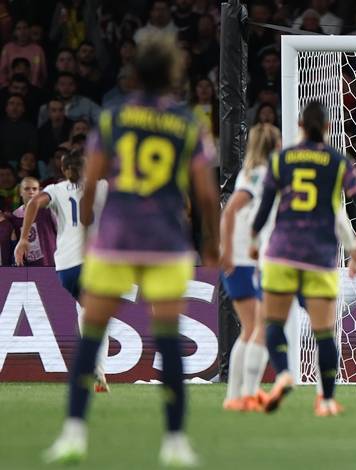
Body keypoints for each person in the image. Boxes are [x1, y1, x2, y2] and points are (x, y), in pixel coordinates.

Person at [43, 32, 220, 467]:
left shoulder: (113, 118)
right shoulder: (187, 122)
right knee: (167, 337)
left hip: (117, 238)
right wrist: (212, 246)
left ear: (136, 72)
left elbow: (88, 188)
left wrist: (87, 232)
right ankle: (175, 441)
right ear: (174, 73)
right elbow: (206, 194)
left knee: (91, 335)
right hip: (165, 240)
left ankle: (73, 434)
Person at [250, 101, 356, 417]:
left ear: (300, 125)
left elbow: (263, 208)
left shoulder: (281, 159)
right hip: (320, 255)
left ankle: (284, 373)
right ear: (327, 127)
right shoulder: (338, 162)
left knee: (273, 322)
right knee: (324, 332)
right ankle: (327, 400)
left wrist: (252, 239)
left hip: (281, 252)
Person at [15, 150, 110, 391]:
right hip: (94, 262)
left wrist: (24, 239)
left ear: (63, 168)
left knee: (86, 307)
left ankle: (93, 366)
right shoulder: (101, 187)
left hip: (66, 267)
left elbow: (34, 203)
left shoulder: (56, 189)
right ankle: (97, 368)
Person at [219, 123, 281, 412]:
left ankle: (236, 396)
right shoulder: (260, 177)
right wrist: (228, 252)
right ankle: (248, 393)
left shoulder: (252, 173)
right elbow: (230, 211)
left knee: (251, 328)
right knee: (259, 328)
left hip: (246, 259)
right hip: (246, 260)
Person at [11, 176, 56, 267]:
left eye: (34, 189)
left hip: (51, 261)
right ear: (20, 192)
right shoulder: (14, 216)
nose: (31, 191)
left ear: (39, 191)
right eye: (27, 189)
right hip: (28, 265)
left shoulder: (48, 211)